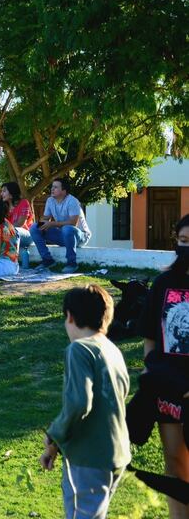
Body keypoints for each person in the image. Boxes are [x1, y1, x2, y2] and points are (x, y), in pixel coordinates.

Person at [40, 285, 129, 519]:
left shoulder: (79, 349)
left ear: (70, 316)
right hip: (116, 453)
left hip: (88, 457)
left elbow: (79, 402)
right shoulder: (112, 350)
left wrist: (54, 435)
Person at [136, 214, 189, 519]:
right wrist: (150, 374)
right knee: (175, 465)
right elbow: (150, 338)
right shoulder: (163, 283)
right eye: (181, 242)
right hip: (168, 389)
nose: (186, 248)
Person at [29, 178, 92, 274]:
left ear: (64, 191)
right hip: (63, 235)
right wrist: (42, 223)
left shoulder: (72, 201)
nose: (52, 189)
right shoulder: (50, 200)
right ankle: (47, 260)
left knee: (67, 229)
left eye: (55, 187)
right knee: (34, 227)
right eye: (52, 187)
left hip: (81, 236)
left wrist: (51, 224)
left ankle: (72, 263)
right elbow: (45, 218)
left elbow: (73, 223)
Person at [1, 182, 35, 269]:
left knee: (13, 230)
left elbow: (20, 223)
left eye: (4, 191)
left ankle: (11, 263)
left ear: (12, 193)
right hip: (8, 234)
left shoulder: (23, 202)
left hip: (26, 235)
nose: (1, 194)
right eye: (1, 191)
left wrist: (3, 228)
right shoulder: (3, 206)